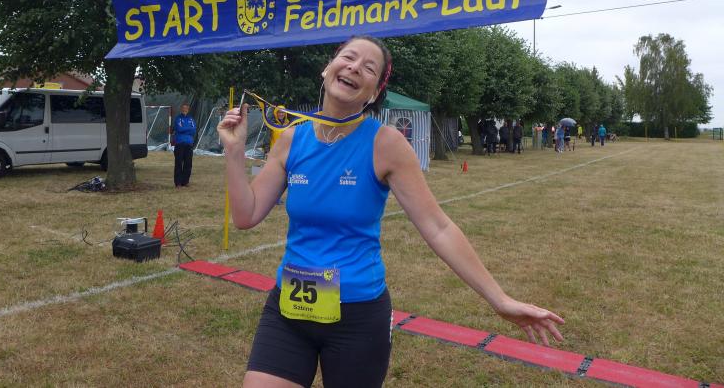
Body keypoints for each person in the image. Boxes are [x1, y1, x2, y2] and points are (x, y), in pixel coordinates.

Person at [217, 36, 564, 388]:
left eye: (369, 68)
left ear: (374, 93)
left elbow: (438, 227)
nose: (355, 67)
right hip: (289, 309)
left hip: (357, 317)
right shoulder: (291, 140)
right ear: (327, 68)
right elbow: (246, 215)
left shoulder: (386, 143)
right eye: (348, 57)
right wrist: (234, 151)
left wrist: (499, 299)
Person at [173, 102, 196, 188]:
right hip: (180, 143)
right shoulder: (178, 119)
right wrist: (188, 129)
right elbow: (179, 129)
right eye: (183, 108)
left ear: (188, 109)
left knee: (188, 163)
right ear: (181, 109)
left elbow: (193, 130)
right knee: (179, 163)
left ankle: (185, 181)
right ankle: (178, 183)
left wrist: (185, 129)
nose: (184, 110)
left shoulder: (191, 119)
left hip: (189, 143)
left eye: (186, 108)